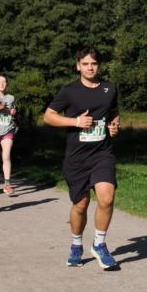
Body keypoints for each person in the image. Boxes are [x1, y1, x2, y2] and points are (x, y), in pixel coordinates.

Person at [43, 47, 120, 269]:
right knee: (81, 204)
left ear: (99, 66)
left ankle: (99, 244)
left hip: (102, 153)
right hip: (77, 157)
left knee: (106, 198)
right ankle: (76, 245)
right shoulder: (69, 91)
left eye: (93, 64)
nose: (90, 67)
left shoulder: (109, 88)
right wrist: (75, 122)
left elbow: (113, 112)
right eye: (85, 64)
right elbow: (48, 116)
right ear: (78, 65)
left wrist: (115, 125)